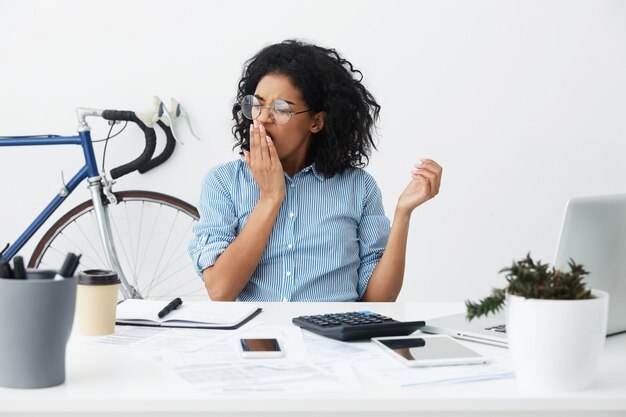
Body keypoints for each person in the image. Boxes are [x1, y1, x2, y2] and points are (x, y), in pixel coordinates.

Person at [189, 40, 442, 302]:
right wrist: (270, 198)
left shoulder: (359, 188)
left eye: (281, 109)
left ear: (317, 122)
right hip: (258, 340)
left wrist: (403, 213)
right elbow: (220, 290)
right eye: (258, 104)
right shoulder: (224, 182)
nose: (263, 118)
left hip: (334, 339)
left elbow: (378, 302)